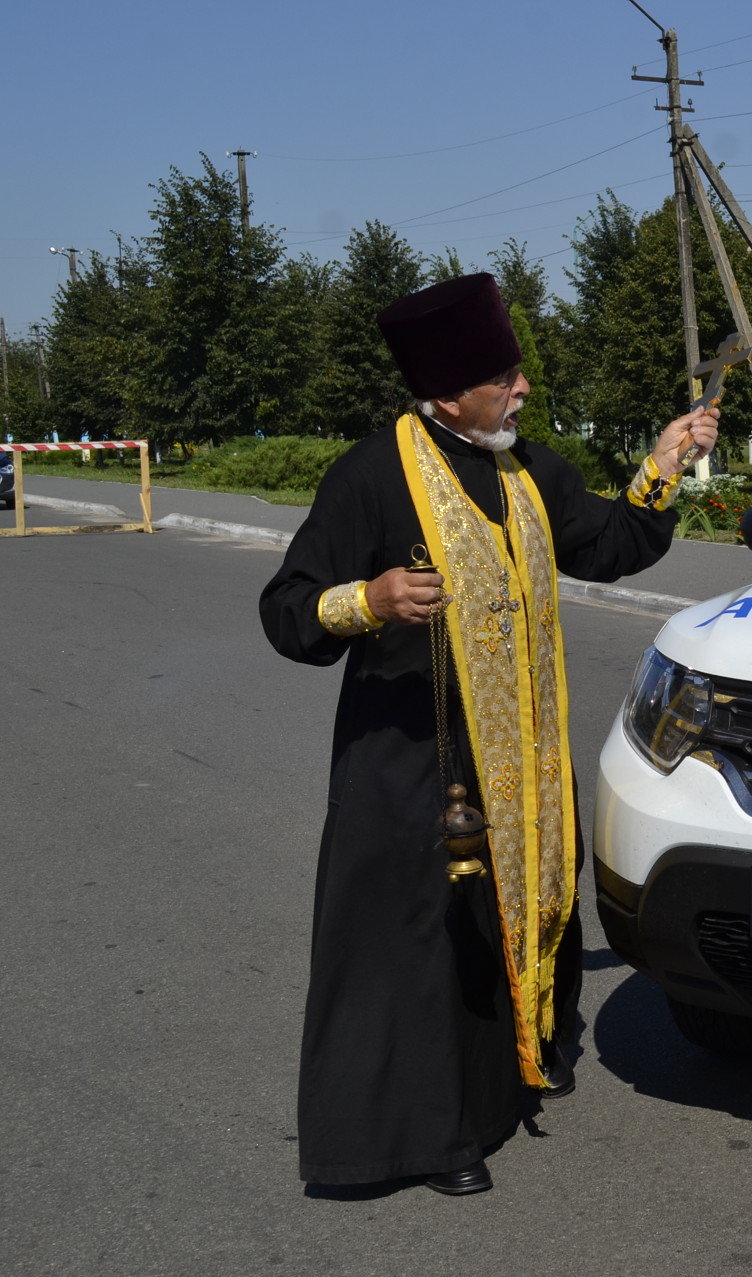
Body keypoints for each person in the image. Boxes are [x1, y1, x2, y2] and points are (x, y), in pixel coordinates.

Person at [259, 273, 718, 1195]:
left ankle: (503, 1085)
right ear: (447, 390)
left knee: (514, 918)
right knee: (428, 947)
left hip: (524, 767)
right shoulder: (369, 474)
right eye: (503, 376)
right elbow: (286, 613)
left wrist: (666, 461)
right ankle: (432, 1138)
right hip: (413, 772)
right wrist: (369, 600)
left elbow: (611, 544)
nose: (522, 389)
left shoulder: (526, 469)